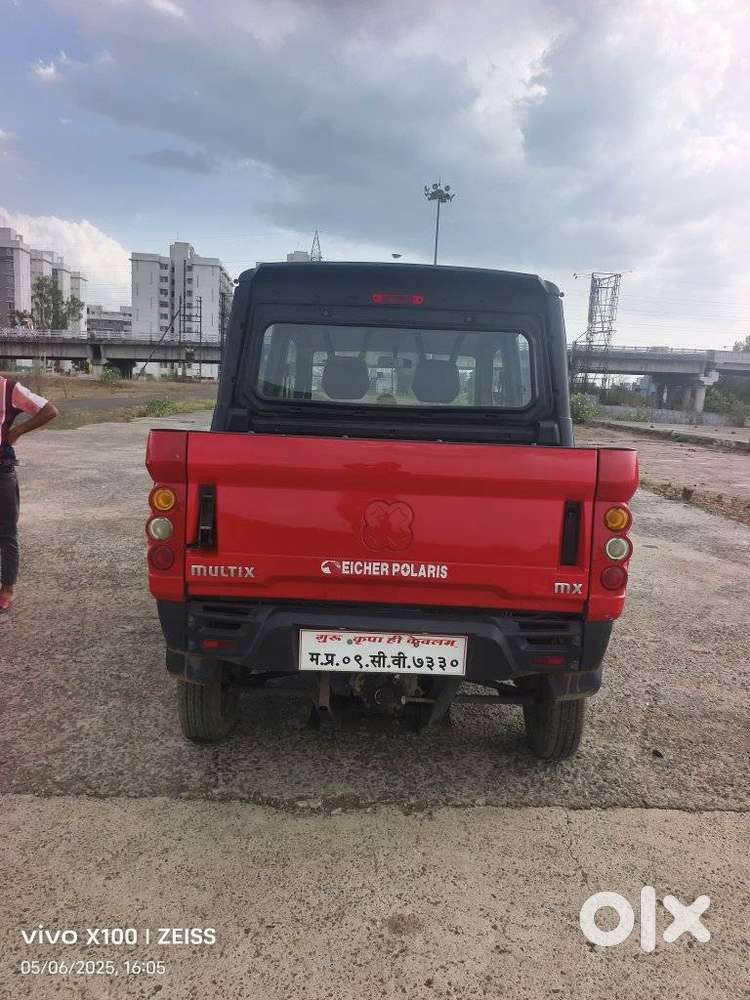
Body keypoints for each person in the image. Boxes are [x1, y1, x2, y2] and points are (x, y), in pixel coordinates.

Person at [0, 374, 59, 613]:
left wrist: (18, 431)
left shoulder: (8, 388)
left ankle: (6, 588)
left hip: (1, 469)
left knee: (6, 531)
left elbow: (49, 410)